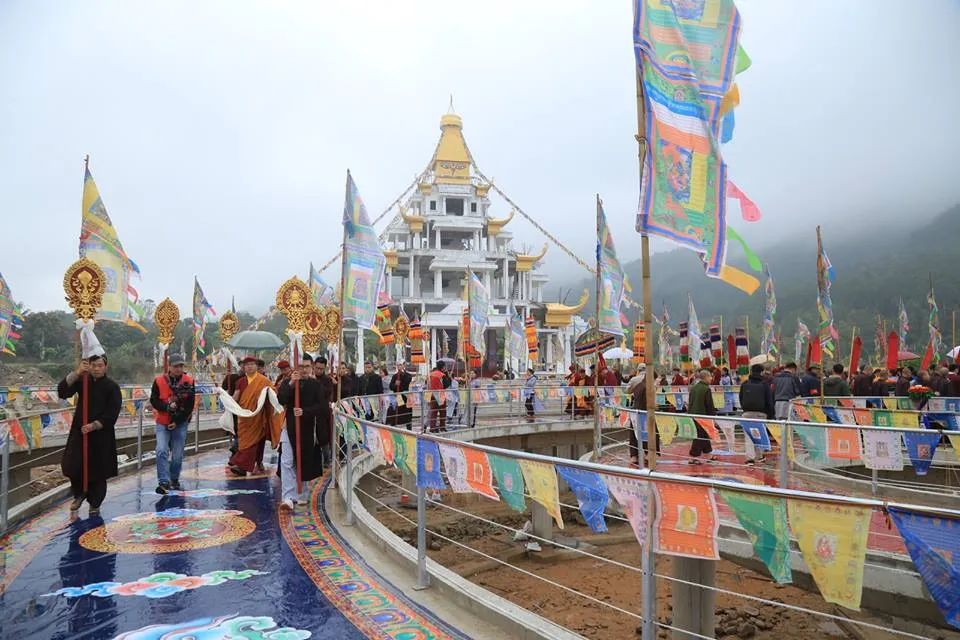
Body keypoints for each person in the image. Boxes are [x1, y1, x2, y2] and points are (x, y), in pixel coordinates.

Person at [57, 354, 121, 516]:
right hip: (79, 432)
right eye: (93, 365)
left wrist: (94, 425)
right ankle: (79, 495)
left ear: (105, 367)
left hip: (101, 436)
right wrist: (77, 373)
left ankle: (95, 503)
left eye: (100, 365)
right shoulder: (82, 381)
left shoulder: (112, 387)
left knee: (98, 471)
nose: (96, 369)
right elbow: (62, 392)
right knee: (72, 465)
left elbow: (112, 413)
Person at [276, 357, 328, 510]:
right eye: (300, 366)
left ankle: (302, 493)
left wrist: (305, 411)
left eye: (307, 366)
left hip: (307, 427)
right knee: (286, 461)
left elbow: (322, 407)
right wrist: (291, 383)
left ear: (311, 367)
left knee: (304, 459)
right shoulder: (288, 382)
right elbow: (281, 399)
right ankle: (287, 496)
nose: (304, 369)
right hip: (289, 426)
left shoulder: (315, 385)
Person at [149, 352, 196, 494]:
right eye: (176, 366)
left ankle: (174, 479)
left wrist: (177, 421)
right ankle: (163, 482)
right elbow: (154, 400)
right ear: (169, 367)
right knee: (161, 450)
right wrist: (166, 407)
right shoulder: (158, 381)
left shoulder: (189, 381)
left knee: (177, 455)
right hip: (162, 422)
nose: (178, 369)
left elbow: (189, 406)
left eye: (181, 366)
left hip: (180, 423)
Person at [228, 356, 282, 476]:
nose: (250, 367)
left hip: (258, 416)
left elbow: (273, 393)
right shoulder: (240, 382)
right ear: (244, 367)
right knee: (244, 442)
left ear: (257, 366)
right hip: (244, 417)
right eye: (247, 365)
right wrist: (227, 401)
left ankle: (243, 466)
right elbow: (236, 397)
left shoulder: (264, 381)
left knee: (256, 442)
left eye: (252, 364)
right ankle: (249, 463)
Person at [740, 363, 775, 464]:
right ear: (762, 372)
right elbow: (769, 401)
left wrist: (745, 409)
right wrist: (771, 415)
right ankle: (759, 456)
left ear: (751, 371)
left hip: (746, 413)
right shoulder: (764, 385)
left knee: (748, 436)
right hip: (760, 414)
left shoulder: (745, 384)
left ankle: (749, 458)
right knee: (758, 435)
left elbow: (741, 398)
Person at [685, 369, 715, 463]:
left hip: (693, 414)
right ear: (706, 377)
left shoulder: (694, 388)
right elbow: (709, 404)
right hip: (703, 415)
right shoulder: (706, 389)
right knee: (700, 436)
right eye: (710, 376)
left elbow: (690, 402)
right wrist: (712, 417)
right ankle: (693, 457)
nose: (711, 378)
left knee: (703, 435)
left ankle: (709, 454)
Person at [220, 363, 243, 455]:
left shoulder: (250, 378)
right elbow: (224, 387)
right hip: (234, 407)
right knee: (236, 427)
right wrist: (227, 377)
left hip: (244, 407)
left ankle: (237, 446)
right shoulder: (232, 377)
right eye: (241, 366)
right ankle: (236, 446)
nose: (242, 368)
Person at [389, 362, 413, 429]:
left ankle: (408, 427)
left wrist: (403, 373)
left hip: (405, 397)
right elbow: (391, 386)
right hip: (397, 396)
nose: (399, 366)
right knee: (394, 411)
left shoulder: (407, 375)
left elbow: (408, 380)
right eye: (398, 365)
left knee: (407, 413)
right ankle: (393, 426)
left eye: (400, 365)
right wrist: (395, 384)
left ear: (403, 366)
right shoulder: (395, 376)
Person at [428, 361, 448, 432]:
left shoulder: (431, 374)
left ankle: (432, 428)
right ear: (443, 367)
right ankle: (442, 427)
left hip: (432, 394)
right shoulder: (442, 375)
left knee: (434, 412)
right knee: (442, 412)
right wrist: (447, 374)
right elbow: (446, 385)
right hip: (440, 394)